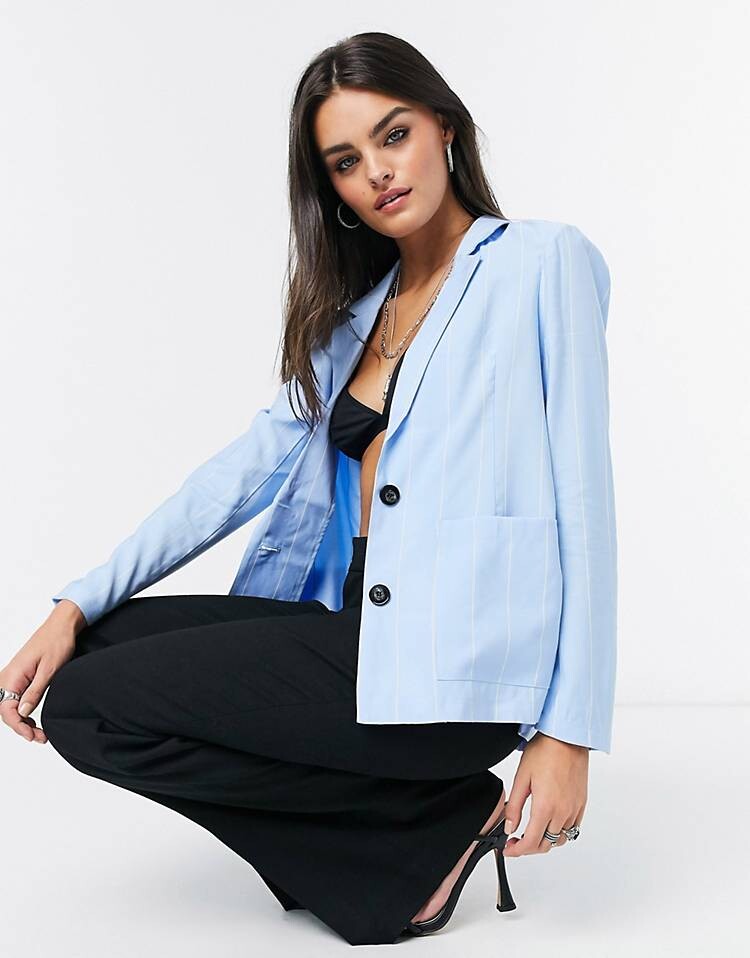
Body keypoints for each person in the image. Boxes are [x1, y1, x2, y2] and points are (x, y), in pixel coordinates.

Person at [0, 31, 614, 946]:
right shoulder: (354, 321)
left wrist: (568, 733)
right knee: (86, 663)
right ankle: (413, 830)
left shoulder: (538, 263)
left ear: (444, 126)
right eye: (346, 161)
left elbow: (585, 504)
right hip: (361, 632)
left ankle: (427, 818)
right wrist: (74, 603)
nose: (379, 172)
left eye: (394, 135)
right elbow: (234, 477)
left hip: (452, 674)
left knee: (91, 708)